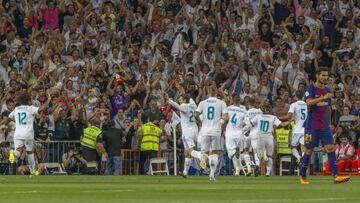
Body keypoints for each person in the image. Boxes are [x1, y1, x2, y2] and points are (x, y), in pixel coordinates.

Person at [300, 67, 350, 184]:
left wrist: (329, 123)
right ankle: (303, 177)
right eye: (323, 75)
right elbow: (308, 102)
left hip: (324, 126)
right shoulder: (310, 88)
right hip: (311, 126)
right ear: (317, 76)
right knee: (308, 150)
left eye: (327, 75)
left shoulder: (327, 89)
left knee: (330, 148)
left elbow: (327, 108)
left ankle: (336, 176)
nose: (325, 77)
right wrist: (323, 97)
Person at [8, 92, 51, 176]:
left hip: (18, 134)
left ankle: (12, 152)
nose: (31, 100)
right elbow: (42, 108)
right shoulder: (30, 108)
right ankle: (32, 171)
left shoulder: (16, 109)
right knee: (30, 152)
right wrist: (48, 99)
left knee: (18, 152)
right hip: (28, 134)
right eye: (30, 99)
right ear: (28, 100)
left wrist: (17, 122)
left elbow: (8, 119)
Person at [196, 86, 228, 181]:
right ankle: (212, 174)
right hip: (216, 130)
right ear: (217, 92)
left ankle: (203, 159)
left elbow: (196, 114)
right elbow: (226, 117)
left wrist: (201, 122)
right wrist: (223, 128)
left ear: (208, 92)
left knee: (205, 152)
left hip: (205, 130)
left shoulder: (203, 103)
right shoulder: (221, 103)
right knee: (214, 153)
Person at [250, 103, 291, 176]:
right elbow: (282, 125)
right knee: (270, 156)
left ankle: (258, 167)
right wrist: (291, 121)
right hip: (269, 137)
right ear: (269, 109)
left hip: (260, 136)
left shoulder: (258, 116)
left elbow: (251, 123)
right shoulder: (273, 117)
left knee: (259, 156)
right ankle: (268, 172)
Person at [167, 94, 201, 178]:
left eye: (181, 99)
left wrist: (169, 100)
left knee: (190, 151)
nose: (180, 101)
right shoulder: (193, 105)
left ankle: (201, 156)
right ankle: (185, 171)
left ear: (185, 100)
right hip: (195, 130)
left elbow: (179, 107)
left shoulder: (184, 105)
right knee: (186, 152)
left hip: (187, 132)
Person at [280, 91, 308, 164]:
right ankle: (303, 161)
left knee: (293, 147)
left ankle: (298, 157)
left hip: (297, 130)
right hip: (305, 129)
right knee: (303, 147)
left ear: (295, 96)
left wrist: (278, 117)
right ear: (303, 96)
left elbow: (288, 116)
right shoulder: (307, 104)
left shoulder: (294, 105)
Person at [224, 96, 247, 176]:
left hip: (230, 132)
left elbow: (225, 119)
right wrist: (243, 129)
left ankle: (233, 151)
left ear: (232, 100)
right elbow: (247, 123)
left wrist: (223, 129)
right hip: (239, 133)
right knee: (238, 154)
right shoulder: (244, 111)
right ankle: (237, 170)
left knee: (231, 152)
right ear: (240, 101)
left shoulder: (228, 108)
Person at [243, 98, 263, 176]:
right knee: (255, 150)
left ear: (248, 104)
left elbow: (247, 124)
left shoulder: (247, 112)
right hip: (258, 133)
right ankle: (257, 165)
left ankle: (249, 169)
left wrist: (245, 131)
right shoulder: (259, 111)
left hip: (249, 133)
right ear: (254, 103)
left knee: (246, 150)